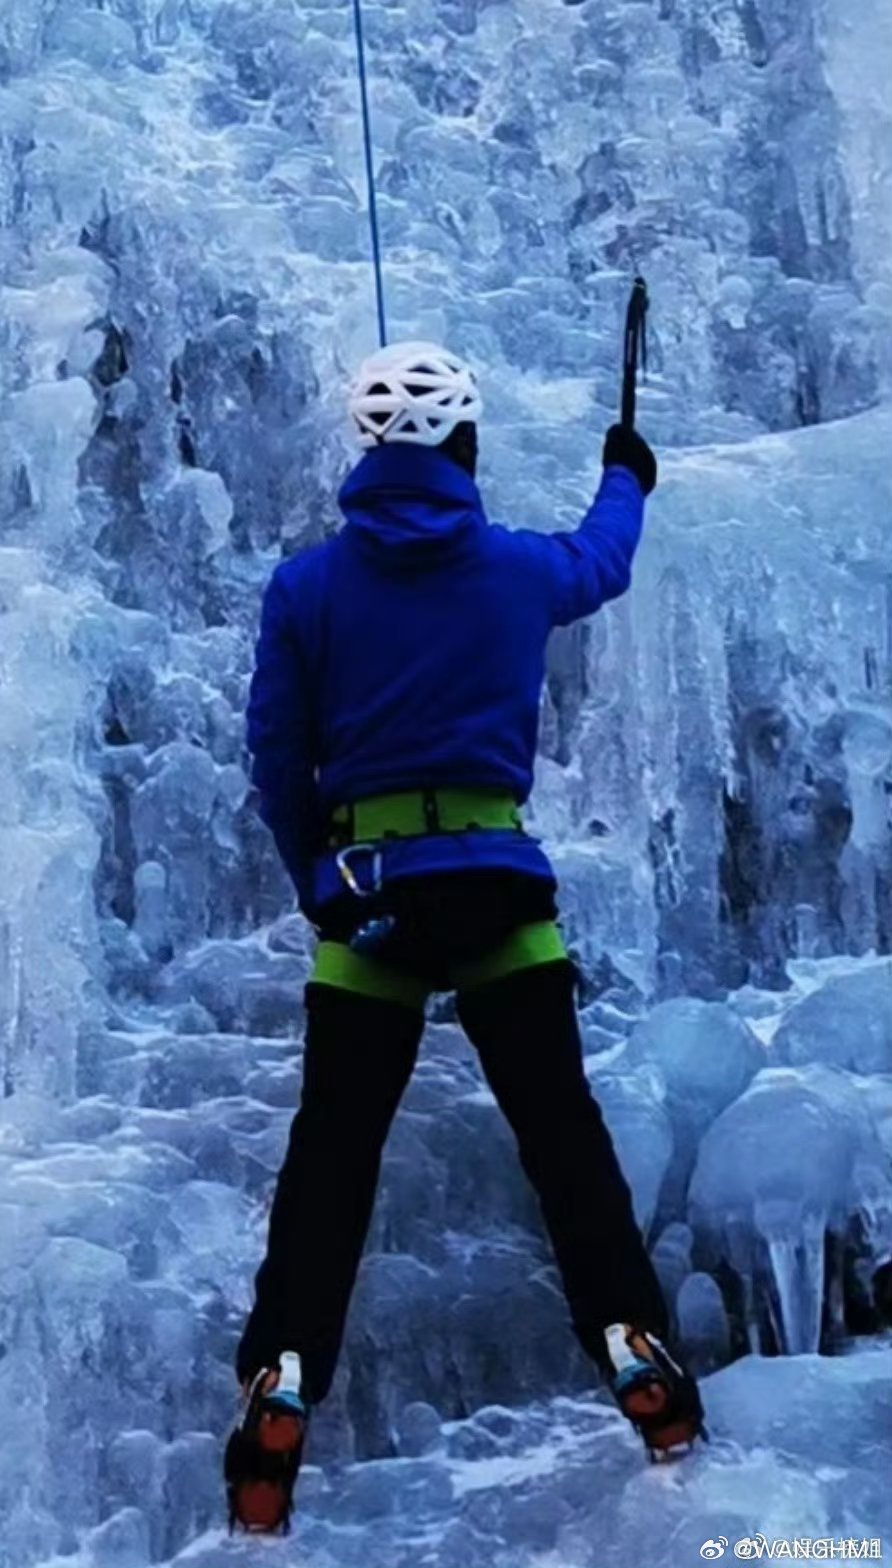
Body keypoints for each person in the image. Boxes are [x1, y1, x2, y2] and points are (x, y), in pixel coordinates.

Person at [225, 343, 704, 1534]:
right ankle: (633, 1349)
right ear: (467, 445)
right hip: (496, 885)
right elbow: (603, 557)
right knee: (563, 1143)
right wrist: (625, 471)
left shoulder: (307, 588)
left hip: (370, 896)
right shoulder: (515, 569)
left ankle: (280, 1375)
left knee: (331, 1160)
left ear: (366, 448)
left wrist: (316, 884)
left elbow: (277, 760)